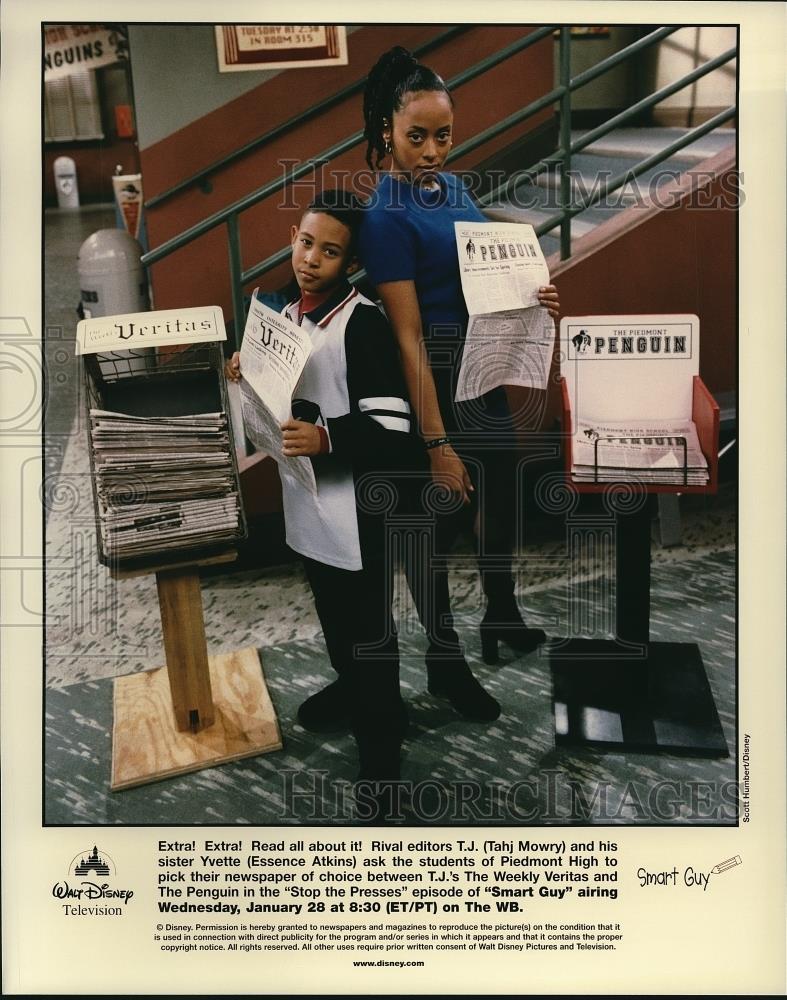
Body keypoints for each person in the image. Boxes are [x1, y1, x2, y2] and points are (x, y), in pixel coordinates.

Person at [357, 46, 561, 721]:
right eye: (416, 136)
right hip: (431, 375)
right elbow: (407, 337)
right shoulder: (384, 216)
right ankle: (444, 664)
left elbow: (480, 261)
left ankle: (501, 614)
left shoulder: (451, 188)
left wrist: (533, 288)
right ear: (387, 130)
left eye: (442, 135)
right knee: (436, 525)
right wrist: (436, 442)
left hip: (480, 364)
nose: (432, 151)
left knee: (500, 491)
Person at [226, 191, 419, 819]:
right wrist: (245, 374)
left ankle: (382, 751)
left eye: (329, 252)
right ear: (293, 237)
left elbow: (394, 426)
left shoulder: (361, 323)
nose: (311, 259)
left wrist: (328, 437)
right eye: (306, 243)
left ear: (350, 262)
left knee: (369, 636)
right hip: (307, 501)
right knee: (336, 622)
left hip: (358, 509)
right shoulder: (277, 311)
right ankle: (352, 688)